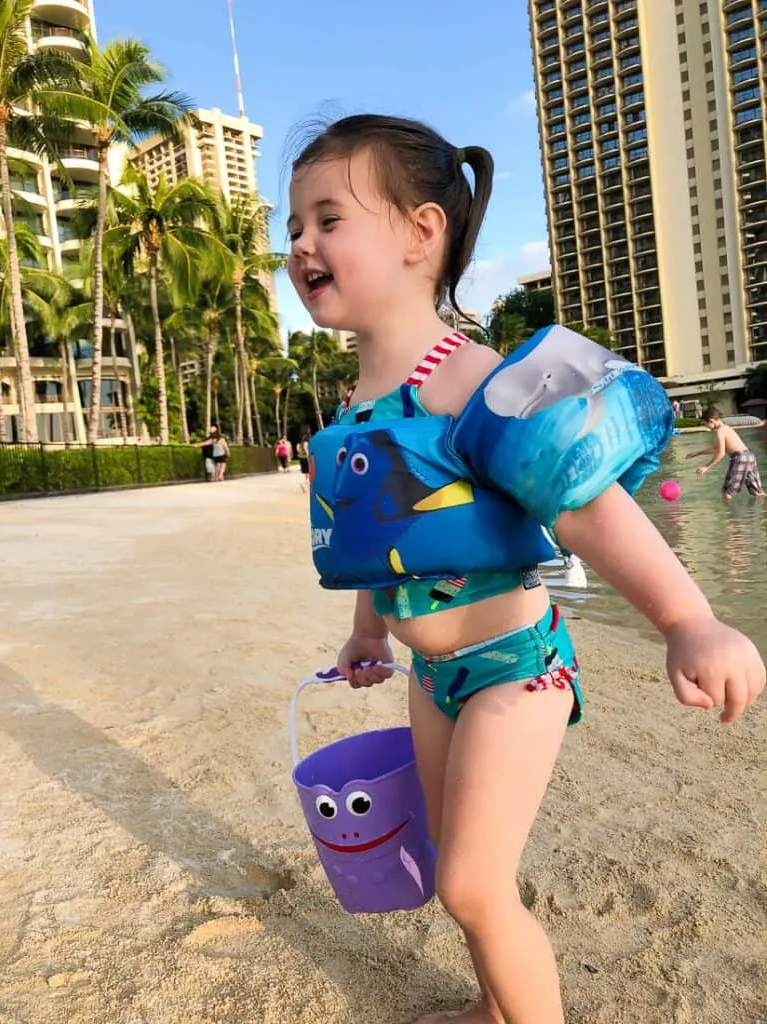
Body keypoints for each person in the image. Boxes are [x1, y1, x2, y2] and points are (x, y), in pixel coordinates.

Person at [286, 114, 765, 1024]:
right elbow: (378, 540)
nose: (303, 244)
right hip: (435, 675)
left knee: (471, 884)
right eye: (293, 229)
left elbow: (583, 502)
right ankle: (493, 1007)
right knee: (453, 858)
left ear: (422, 234)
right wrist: (362, 632)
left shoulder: (465, 377)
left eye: (328, 218)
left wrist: (686, 620)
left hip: (516, 667)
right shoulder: (357, 403)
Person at [686, 406, 766, 500]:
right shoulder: (727, 428)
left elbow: (721, 453)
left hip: (740, 458)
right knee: (758, 492)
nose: (706, 427)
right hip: (749, 456)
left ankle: (730, 514)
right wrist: (697, 453)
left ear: (711, 421)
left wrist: (706, 467)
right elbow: (717, 448)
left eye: (706, 424)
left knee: (726, 493)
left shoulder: (720, 431)